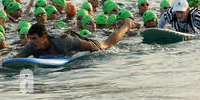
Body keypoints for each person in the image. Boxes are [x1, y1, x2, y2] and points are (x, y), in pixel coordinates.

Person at [12, 20, 140, 58]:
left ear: (44, 37)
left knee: (106, 44)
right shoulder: (32, 46)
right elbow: (18, 57)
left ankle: (127, 25)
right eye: (30, 39)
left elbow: (90, 46)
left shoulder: (63, 41)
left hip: (84, 43)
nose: (31, 41)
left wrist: (100, 55)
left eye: (34, 38)